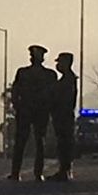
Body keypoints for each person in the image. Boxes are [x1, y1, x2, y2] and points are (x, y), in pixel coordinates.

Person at [10, 44, 57, 182]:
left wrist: (17, 105)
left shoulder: (46, 75)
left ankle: (20, 172)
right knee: (30, 142)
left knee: (32, 142)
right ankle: (29, 172)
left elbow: (52, 94)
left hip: (34, 111)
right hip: (31, 110)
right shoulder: (46, 75)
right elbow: (15, 90)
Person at [48, 52, 77, 182]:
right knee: (63, 144)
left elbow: (65, 100)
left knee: (65, 144)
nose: (58, 65)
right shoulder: (65, 79)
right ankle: (64, 169)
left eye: (60, 62)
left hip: (64, 116)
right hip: (61, 115)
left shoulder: (68, 80)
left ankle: (65, 170)